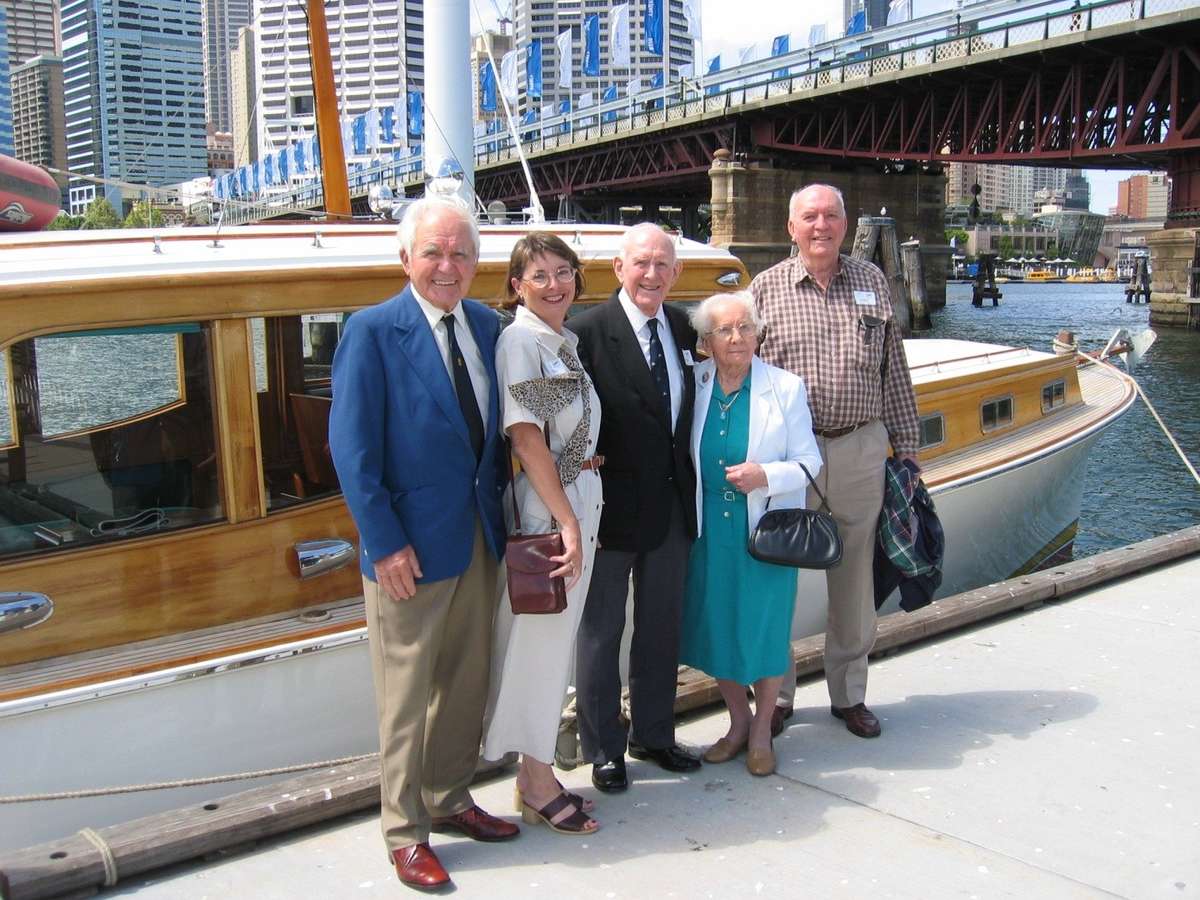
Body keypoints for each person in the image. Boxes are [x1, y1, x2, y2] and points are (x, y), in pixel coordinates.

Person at [329, 197, 517, 893]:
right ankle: (405, 833)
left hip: (478, 535)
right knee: (405, 697)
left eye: (461, 254)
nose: (448, 266)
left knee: (467, 682)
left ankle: (451, 796)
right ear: (405, 259)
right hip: (407, 547)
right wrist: (382, 544)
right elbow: (352, 451)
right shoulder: (373, 332)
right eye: (434, 253)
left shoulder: (489, 326)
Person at [751, 183, 921, 741]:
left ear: (844, 225)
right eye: (809, 217)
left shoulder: (871, 281)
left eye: (830, 216)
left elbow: (893, 368)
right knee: (779, 578)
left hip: (858, 447)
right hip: (786, 455)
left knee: (853, 583)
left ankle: (848, 695)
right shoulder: (765, 289)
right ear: (791, 229)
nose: (820, 225)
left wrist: (908, 447)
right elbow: (742, 374)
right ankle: (776, 697)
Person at [569, 223, 702, 794]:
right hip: (608, 512)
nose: (652, 274)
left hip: (672, 508)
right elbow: (552, 414)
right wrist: (579, 457)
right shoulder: (584, 333)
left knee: (660, 629)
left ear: (675, 273)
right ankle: (603, 747)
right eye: (641, 263)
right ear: (618, 269)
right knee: (601, 632)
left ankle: (654, 731)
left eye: (663, 265)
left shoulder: (682, 326)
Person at [482, 232, 604, 835]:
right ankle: (533, 781)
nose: (555, 284)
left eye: (564, 272)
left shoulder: (563, 342)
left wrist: (584, 457)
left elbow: (562, 431)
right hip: (551, 511)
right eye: (540, 275)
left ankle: (540, 773)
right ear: (516, 286)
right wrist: (567, 521)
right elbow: (526, 437)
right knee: (539, 648)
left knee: (555, 645)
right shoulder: (521, 342)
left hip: (573, 495)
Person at [681, 291, 822, 777]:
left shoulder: (785, 388)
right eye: (724, 330)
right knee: (717, 627)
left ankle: (762, 731)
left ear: (758, 333)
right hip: (708, 533)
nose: (737, 337)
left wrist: (766, 475)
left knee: (764, 633)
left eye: (745, 327)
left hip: (762, 535)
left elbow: (809, 462)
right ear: (706, 341)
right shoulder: (693, 382)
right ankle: (737, 722)